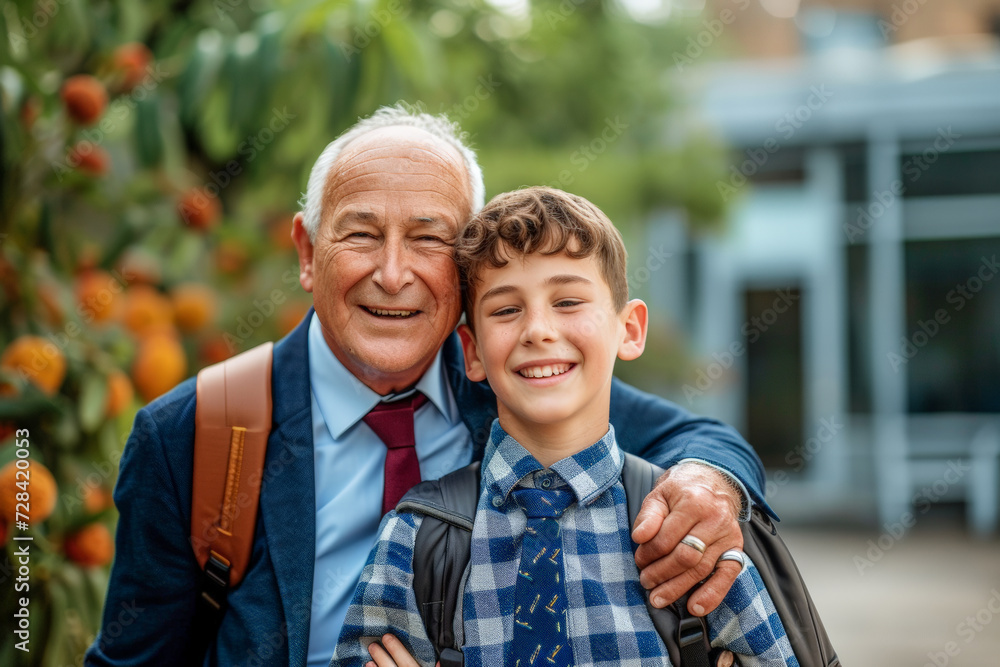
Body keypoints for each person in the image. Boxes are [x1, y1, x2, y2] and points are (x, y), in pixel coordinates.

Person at [85, 106, 773, 667]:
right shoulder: (199, 434)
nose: (392, 272)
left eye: (428, 238)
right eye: (360, 234)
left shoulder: (513, 384)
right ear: (305, 253)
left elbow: (697, 436)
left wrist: (709, 484)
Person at [330, 186, 796, 667]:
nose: (538, 329)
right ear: (471, 352)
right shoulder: (415, 539)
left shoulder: (686, 539)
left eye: (568, 301)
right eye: (506, 310)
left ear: (629, 329)